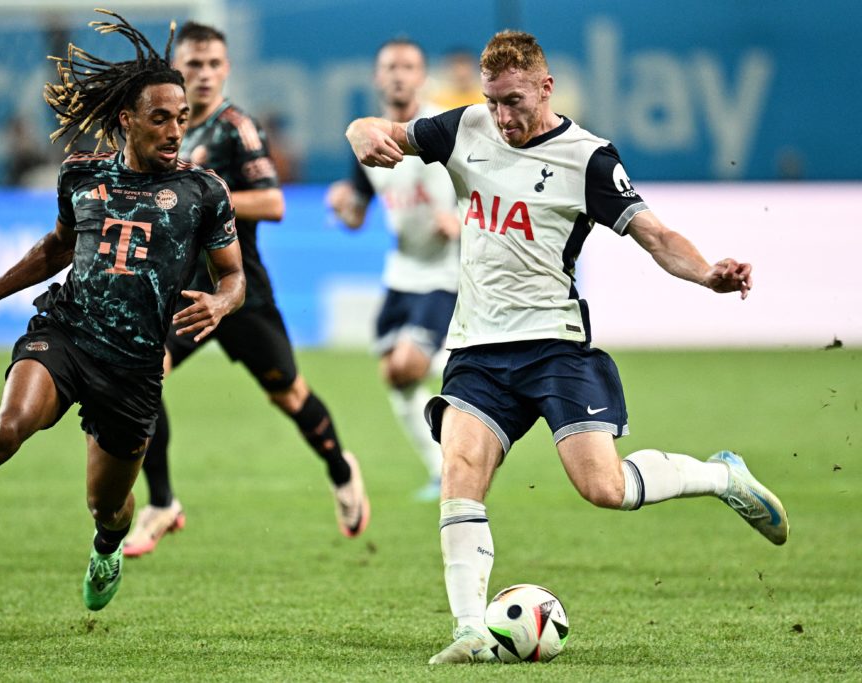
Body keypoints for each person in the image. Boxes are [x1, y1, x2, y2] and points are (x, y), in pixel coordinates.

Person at [345, 30, 788, 664]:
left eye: (515, 101)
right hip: (478, 347)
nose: (503, 117)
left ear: (546, 87)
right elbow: (383, 132)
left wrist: (709, 273)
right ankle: (471, 629)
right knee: (460, 470)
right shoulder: (466, 126)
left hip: (554, 347)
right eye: (494, 101)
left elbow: (656, 236)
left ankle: (721, 475)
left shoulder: (590, 159)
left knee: (603, 488)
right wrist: (359, 131)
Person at [0, 11, 245, 613]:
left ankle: (106, 545)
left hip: (135, 366)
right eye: (160, 119)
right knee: (6, 428)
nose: (175, 130)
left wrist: (222, 303)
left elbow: (234, 276)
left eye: (181, 119)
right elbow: (57, 248)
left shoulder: (205, 192)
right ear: (127, 120)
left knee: (107, 506)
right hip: (66, 333)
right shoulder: (82, 176)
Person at [120, 21, 369, 558]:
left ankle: (340, 467)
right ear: (175, 69)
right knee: (145, 376)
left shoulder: (237, 128)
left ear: (226, 69)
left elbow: (274, 203)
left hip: (240, 290)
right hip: (184, 291)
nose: (204, 75)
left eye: (213, 64)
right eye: (194, 64)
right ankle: (161, 502)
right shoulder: (165, 130)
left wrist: (207, 195)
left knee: (289, 394)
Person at [326, 38, 459, 502]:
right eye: (391, 67)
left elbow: (490, 190)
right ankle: (442, 469)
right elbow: (357, 215)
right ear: (377, 78)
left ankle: (474, 384)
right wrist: (342, 206)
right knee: (394, 374)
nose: (399, 74)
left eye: (409, 66)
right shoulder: (367, 139)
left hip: (447, 272)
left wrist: (463, 219)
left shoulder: (445, 128)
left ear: (423, 76)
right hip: (402, 271)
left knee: (408, 363)